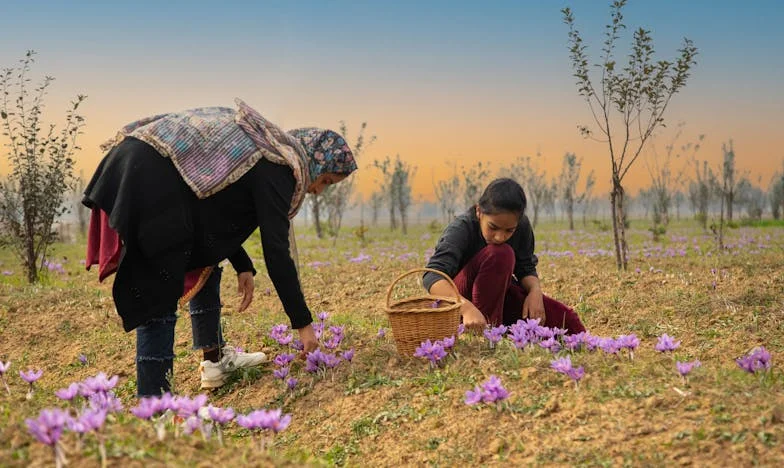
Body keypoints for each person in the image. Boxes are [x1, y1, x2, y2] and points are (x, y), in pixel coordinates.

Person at [83, 99, 356, 396]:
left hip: (142, 166)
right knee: (156, 292)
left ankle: (213, 362)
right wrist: (304, 325)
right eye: (325, 179)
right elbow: (277, 252)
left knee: (204, 257)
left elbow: (214, 212)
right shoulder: (279, 167)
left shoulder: (267, 153)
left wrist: (242, 264)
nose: (318, 190)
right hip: (146, 178)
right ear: (314, 161)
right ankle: (154, 406)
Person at [423, 178, 586, 334]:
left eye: (509, 230)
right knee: (500, 253)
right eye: (493, 227)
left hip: (497, 295)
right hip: (458, 303)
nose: (500, 237)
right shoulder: (462, 228)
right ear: (479, 211)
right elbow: (432, 276)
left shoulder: (522, 226)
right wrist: (466, 308)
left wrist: (535, 292)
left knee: (568, 323)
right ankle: (488, 334)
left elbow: (525, 268)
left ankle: (496, 327)